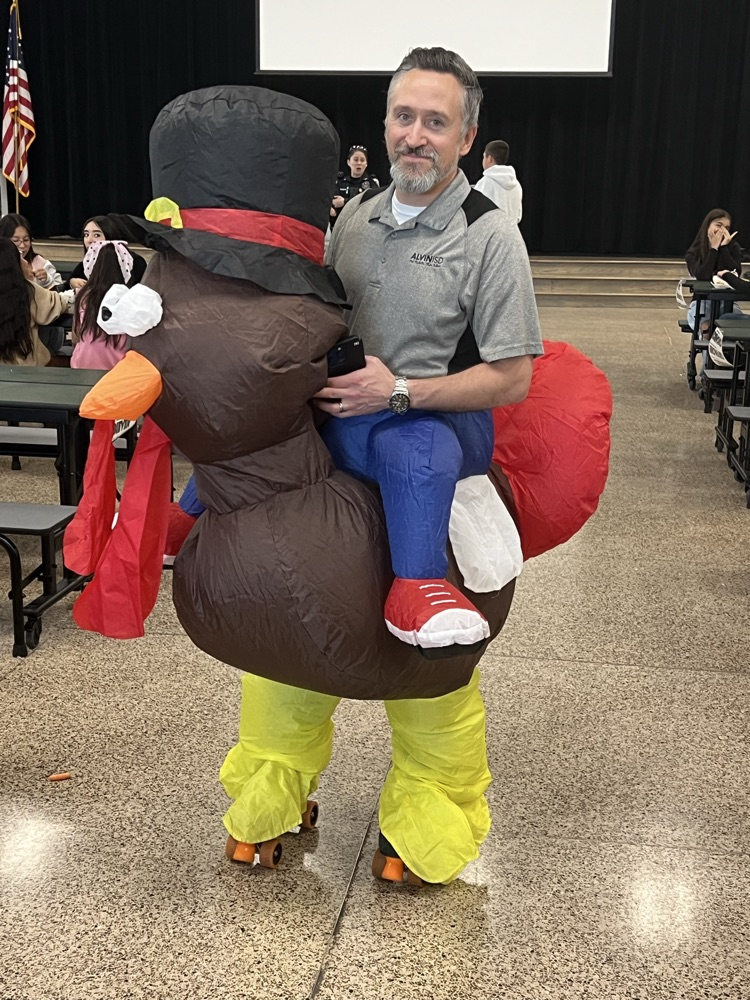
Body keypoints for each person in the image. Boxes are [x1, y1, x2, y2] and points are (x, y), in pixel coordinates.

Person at [315, 48, 542, 652]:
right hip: (341, 410)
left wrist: (397, 392)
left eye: (435, 123)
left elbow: (513, 377)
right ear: (386, 123)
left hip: (432, 424)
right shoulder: (355, 216)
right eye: (404, 116)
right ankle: (186, 519)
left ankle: (419, 586)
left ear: (466, 139)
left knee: (415, 446)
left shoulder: (490, 235)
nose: (414, 136)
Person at [0, 237, 74, 366]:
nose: (25, 261)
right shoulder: (27, 290)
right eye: (20, 257)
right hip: (27, 366)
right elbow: (56, 304)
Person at [71, 241, 133, 369]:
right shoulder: (129, 297)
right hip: (118, 367)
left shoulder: (83, 295)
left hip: (82, 364)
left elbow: (75, 336)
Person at [685, 209, 744, 335]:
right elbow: (702, 275)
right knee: (705, 324)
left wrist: (724, 248)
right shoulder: (694, 252)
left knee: (735, 323)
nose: (722, 231)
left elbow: (735, 273)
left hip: (728, 301)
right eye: (718, 225)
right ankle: (708, 341)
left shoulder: (733, 248)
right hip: (702, 300)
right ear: (707, 226)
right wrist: (714, 249)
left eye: (726, 228)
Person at [66, 216, 148, 291]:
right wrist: (72, 283)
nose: (89, 240)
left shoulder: (136, 263)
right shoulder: (85, 264)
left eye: (97, 235)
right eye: (86, 235)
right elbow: (63, 287)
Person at [0, 212, 63, 289]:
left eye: (26, 240)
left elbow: (60, 287)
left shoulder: (39, 263)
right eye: (16, 240)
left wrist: (47, 280)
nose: (22, 245)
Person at [473, 139, 523, 223]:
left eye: (484, 156)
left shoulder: (485, 182)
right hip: (512, 230)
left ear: (489, 158)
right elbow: (518, 216)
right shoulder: (517, 185)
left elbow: (474, 211)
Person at [329, 145, 379, 227]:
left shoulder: (371, 183)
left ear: (366, 163)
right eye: (356, 160)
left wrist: (345, 202)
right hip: (342, 225)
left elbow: (371, 204)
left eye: (362, 160)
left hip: (363, 225)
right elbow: (334, 203)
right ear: (348, 162)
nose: (359, 163)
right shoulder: (340, 182)